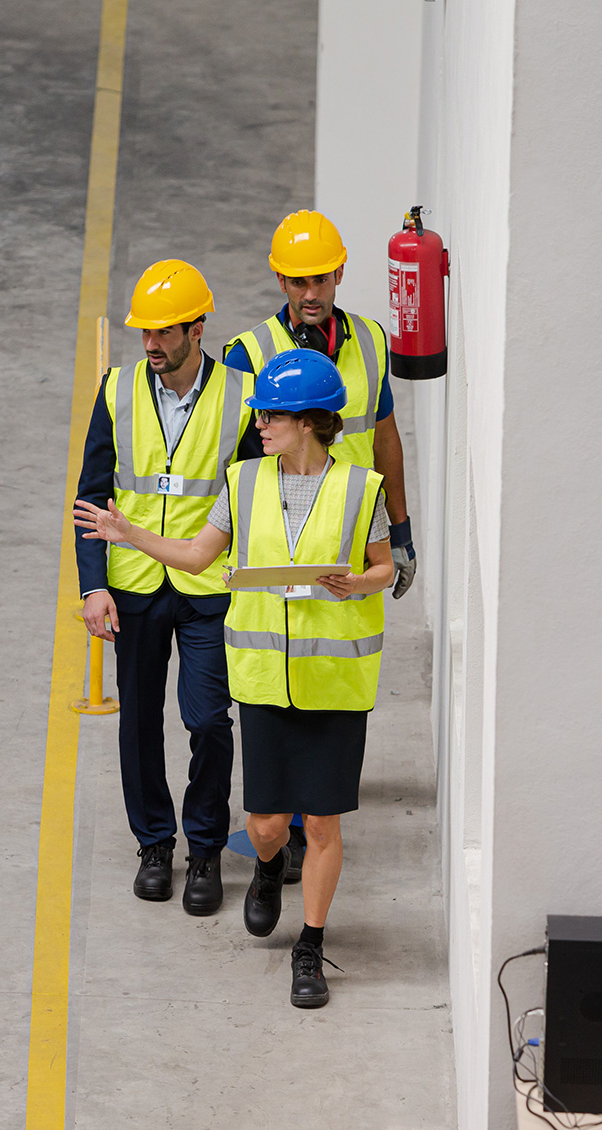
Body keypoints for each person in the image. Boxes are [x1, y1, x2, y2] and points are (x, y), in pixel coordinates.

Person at [74, 349, 394, 1008]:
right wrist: (125, 532)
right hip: (266, 684)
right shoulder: (244, 481)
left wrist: (358, 582)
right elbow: (196, 554)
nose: (260, 424)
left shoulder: (363, 488)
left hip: (335, 684)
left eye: (271, 414)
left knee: (326, 825)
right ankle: (270, 864)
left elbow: (385, 566)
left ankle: (311, 944)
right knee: (269, 822)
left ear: (308, 421)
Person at [224, 208, 416, 880]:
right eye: (297, 278)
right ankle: (277, 841)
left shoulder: (369, 341)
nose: (311, 291)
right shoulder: (249, 352)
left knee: (330, 681)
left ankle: (309, 831)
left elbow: (385, 435)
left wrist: (400, 526)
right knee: (277, 688)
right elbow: (247, 459)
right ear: (280, 277)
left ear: (340, 272)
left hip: (349, 547)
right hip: (284, 544)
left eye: (321, 276)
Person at [74, 259, 263, 916]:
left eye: (164, 332)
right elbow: (90, 495)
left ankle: (205, 846)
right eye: (144, 333)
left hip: (209, 582)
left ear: (197, 327)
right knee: (137, 724)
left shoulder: (241, 395)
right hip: (132, 585)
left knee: (209, 720)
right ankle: (155, 843)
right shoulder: (117, 389)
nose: (151, 344)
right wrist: (93, 585)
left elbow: (251, 493)